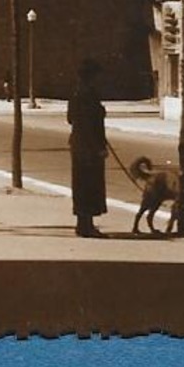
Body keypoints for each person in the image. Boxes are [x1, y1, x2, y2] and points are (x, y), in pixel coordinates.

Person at [67, 58, 108, 238]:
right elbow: (89, 125)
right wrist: (98, 147)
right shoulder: (88, 95)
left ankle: (83, 224)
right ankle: (87, 226)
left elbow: (70, 119)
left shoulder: (77, 93)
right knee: (90, 185)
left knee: (81, 184)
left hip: (78, 145)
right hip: (89, 148)